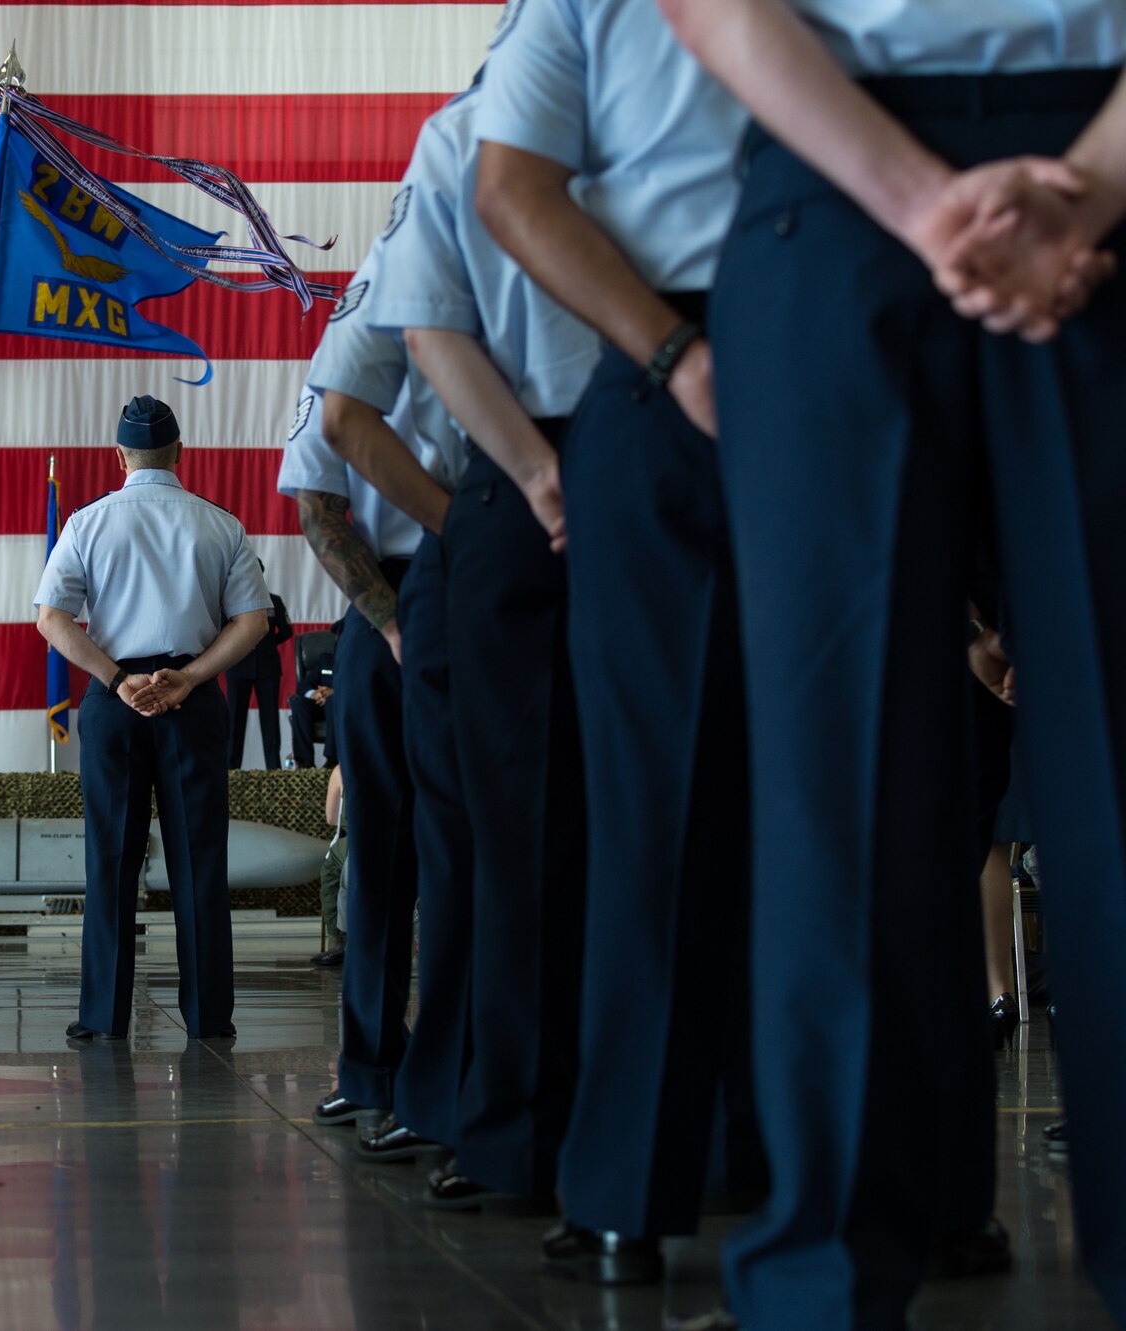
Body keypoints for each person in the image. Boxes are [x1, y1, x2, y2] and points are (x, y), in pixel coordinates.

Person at [657, 3, 1126, 1325]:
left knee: (836, 776)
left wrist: (944, 208)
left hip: (856, 187)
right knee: (845, 776)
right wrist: (1069, 199)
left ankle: (822, 1284)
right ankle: (825, 1272)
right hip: (929, 167)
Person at [474, 0, 774, 1276]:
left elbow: (511, 188)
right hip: (796, 339)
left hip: (673, 357)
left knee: (660, 804)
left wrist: (665, 357)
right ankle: (893, 1175)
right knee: (870, 781)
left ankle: (628, 1189)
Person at [351, 79, 602, 1215]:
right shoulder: (467, 136)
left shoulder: (461, 134)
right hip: (554, 466)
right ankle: (567, 1124)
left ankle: (530, 1128)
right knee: (527, 843)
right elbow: (372, 391)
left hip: (522, 475)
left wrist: (514, 484)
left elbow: (422, 336)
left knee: (523, 848)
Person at [280, 212, 473, 1141]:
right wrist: (393, 622)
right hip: (386, 601)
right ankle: (371, 1069)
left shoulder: (497, 316)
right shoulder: (353, 331)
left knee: (466, 851)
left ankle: (447, 1077)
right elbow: (319, 501)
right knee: (379, 852)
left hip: (485, 583)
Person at [35, 395, 271, 1042]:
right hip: (190, 700)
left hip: (117, 700)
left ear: (119, 456)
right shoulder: (220, 524)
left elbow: (50, 617)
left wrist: (117, 679)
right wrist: (190, 678)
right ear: (180, 453)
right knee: (200, 861)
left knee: (111, 858)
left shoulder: (87, 522)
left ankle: (103, 1015)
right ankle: (209, 1016)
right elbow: (253, 620)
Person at [223, 566, 292, 769]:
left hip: (267, 668)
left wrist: (268, 645)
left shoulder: (273, 601)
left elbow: (286, 631)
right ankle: (232, 771)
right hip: (237, 666)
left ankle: (273, 769)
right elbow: (221, 632)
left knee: (270, 721)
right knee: (235, 721)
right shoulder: (229, 602)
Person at [286, 618, 341, 769]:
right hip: (319, 705)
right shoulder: (325, 660)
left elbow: (358, 688)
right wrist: (314, 694)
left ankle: (332, 760)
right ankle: (305, 762)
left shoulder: (356, 662)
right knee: (298, 703)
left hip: (340, 708)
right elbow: (303, 685)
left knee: (333, 700)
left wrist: (334, 692)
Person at [313, 763, 347, 966]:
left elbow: (331, 818)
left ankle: (339, 940)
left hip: (353, 840)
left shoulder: (340, 771)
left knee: (331, 873)